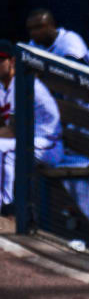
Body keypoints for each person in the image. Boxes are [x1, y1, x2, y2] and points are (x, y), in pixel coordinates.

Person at [0, 40, 63, 216]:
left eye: (0, 61)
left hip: (48, 144)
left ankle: (6, 205)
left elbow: (13, 131)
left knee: (3, 151)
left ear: (12, 61)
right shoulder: (3, 86)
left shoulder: (24, 84)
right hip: (27, 142)